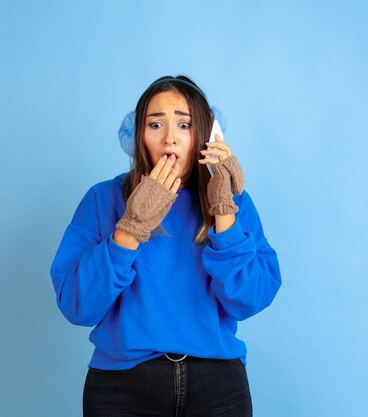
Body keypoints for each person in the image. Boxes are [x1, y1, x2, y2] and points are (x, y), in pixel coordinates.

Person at [50, 75, 282, 417]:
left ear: (206, 136)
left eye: (185, 124)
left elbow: (249, 299)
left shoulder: (233, 202)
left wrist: (223, 208)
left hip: (217, 385)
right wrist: (131, 227)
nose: (170, 137)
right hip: (122, 388)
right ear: (138, 138)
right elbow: (77, 305)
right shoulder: (103, 198)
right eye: (155, 124)